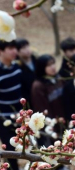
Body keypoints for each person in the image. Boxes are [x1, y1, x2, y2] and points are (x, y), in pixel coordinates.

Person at [31, 54, 65, 146]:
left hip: (64, 121)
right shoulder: (38, 86)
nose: (53, 67)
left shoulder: (58, 78)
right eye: (49, 65)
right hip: (52, 126)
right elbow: (42, 109)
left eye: (53, 63)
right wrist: (54, 122)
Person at [0, 40, 21, 170]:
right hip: (4, 119)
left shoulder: (17, 67)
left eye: (15, 48)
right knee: (10, 154)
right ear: (1, 51)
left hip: (21, 117)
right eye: (10, 48)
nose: (15, 51)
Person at [16, 38, 36, 108]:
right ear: (17, 52)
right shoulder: (18, 67)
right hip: (28, 98)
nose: (27, 49)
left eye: (27, 46)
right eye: (23, 48)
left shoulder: (36, 59)